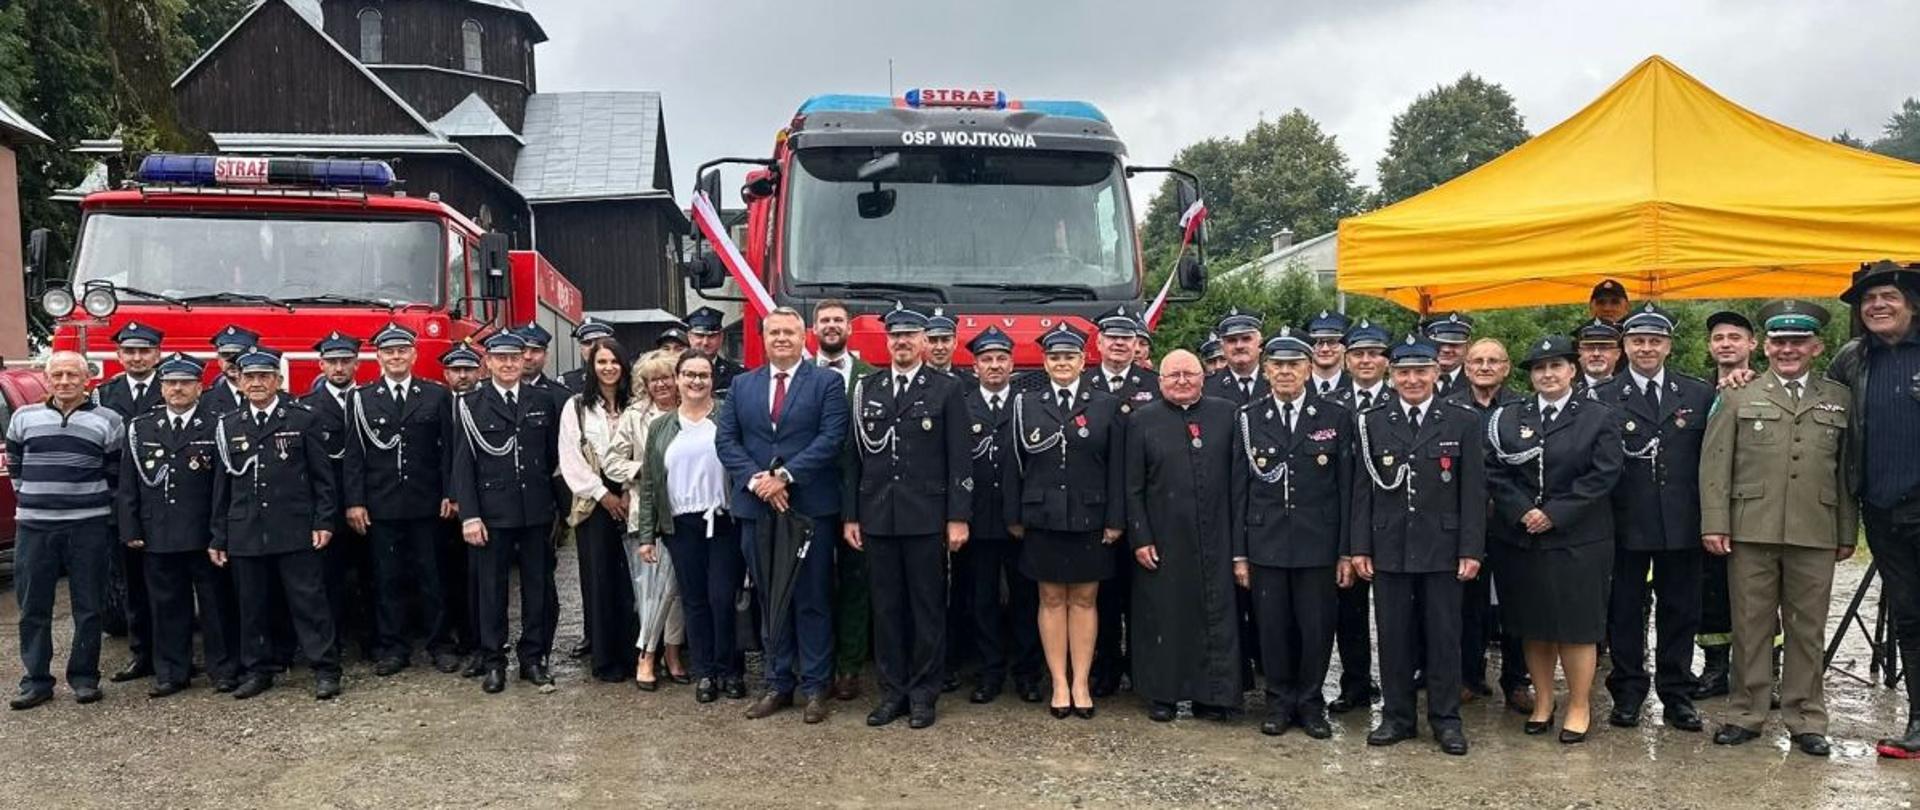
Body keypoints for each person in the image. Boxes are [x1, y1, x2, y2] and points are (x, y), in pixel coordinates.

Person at [1700, 299, 1855, 757]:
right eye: (1780, 341)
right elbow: (1715, 465)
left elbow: (1846, 472)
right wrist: (1715, 522)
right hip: (1751, 528)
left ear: (1816, 346)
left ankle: (1806, 718)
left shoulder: (1838, 397)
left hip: (1815, 527)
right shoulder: (1737, 394)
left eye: (1798, 341)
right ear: (1765, 346)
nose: (1788, 349)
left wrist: (1847, 531)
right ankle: (1746, 712)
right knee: (1751, 626)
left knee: (1808, 629)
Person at [1485, 335, 1623, 744]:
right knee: (1535, 625)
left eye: (1556, 366)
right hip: (1522, 538)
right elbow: (1493, 469)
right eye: (1539, 368)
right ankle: (1544, 701)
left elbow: (1604, 474)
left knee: (1577, 628)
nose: (1547, 374)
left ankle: (1578, 705)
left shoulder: (1598, 416)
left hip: (1579, 539)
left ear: (1572, 371)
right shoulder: (1509, 417)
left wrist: (1555, 514)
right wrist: (1522, 510)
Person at [1350, 335, 1483, 755]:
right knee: (1393, 636)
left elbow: (1474, 493)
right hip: (1389, 546)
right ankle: (1397, 717)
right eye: (1404, 372)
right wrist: (1360, 547)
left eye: (1420, 371)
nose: (1412, 379)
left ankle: (1445, 720)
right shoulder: (1371, 421)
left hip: (1443, 548)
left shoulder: (1462, 421)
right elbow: (1361, 491)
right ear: (1391, 376)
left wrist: (1470, 548)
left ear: (1436, 373)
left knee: (1444, 636)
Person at [715, 306, 848, 723]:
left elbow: (832, 437)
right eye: (774, 333)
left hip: (808, 508)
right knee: (772, 598)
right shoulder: (741, 385)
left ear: (803, 336)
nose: (782, 339)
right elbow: (727, 441)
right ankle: (777, 682)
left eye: (790, 332)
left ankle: (814, 686)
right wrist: (758, 482)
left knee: (812, 597)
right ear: (764, 337)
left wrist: (786, 477)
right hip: (757, 507)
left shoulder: (826, 383)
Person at [845, 304, 973, 729]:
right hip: (878, 515)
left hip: (926, 517)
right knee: (886, 609)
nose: (902, 342)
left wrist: (958, 517)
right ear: (888, 342)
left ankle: (923, 694)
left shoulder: (946, 389)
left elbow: (960, 460)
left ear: (923, 341)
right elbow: (853, 459)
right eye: (895, 335)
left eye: (910, 335)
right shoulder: (869, 388)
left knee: (926, 608)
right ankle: (892, 693)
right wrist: (851, 515)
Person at [1593, 305, 1712, 733]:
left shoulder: (1698, 394)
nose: (1646, 348)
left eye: (1654, 340)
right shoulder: (1603, 397)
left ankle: (1677, 693)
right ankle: (1626, 691)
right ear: (1624, 346)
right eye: (1637, 340)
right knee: (1623, 611)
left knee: (1680, 612)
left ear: (1668, 345)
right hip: (1624, 524)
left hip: (1681, 522)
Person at [1231, 328, 1352, 738]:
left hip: (1318, 545)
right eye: (1278, 365)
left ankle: (1311, 702)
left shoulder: (1335, 417)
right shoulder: (1248, 419)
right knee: (1273, 627)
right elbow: (1238, 491)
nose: (1285, 372)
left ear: (1309, 369)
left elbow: (1346, 488)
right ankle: (1279, 701)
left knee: (1317, 628)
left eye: (1294, 365)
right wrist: (1239, 554)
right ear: (1266, 370)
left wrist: (1346, 551)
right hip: (1265, 544)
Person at [1823, 261, 1920, 759]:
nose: (1877, 306)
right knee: (1909, 616)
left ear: (1911, 302)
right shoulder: (1850, 359)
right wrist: (1744, 383)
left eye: (1887, 296)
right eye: (1868, 301)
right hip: (1881, 509)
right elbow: (1817, 408)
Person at [1006, 324, 1125, 719]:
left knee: (1086, 599)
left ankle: (1081, 683)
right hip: (1042, 517)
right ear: (1045, 362)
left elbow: (1117, 469)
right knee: (1051, 598)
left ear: (1083, 360)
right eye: (1055, 357)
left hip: (1090, 516)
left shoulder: (1105, 404)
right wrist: (1015, 515)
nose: (1062, 363)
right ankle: (1058, 682)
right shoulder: (1026, 403)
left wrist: (1115, 518)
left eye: (1069, 357)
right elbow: (1013, 466)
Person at [210, 348, 342, 701]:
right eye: (249, 377)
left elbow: (322, 479)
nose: (256, 383)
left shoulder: (302, 418)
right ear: (238, 381)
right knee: (252, 606)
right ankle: (258, 670)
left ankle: (325, 668)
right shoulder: (227, 425)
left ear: (278, 381)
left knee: (309, 602)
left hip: (295, 527)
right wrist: (218, 535)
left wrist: (324, 520)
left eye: (264, 376)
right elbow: (221, 489)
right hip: (246, 530)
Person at [1127, 349, 1243, 722]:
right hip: (1164, 536)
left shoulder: (1226, 413)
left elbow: (1240, 477)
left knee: (1216, 613)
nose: (1181, 381)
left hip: (1218, 533)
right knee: (1165, 616)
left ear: (1202, 377)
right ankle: (1164, 695)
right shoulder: (1142, 421)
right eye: (1172, 375)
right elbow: (1132, 487)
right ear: (1159, 381)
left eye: (1189, 374)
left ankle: (1214, 695)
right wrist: (1140, 536)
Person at [116, 354, 240, 697]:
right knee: (167, 606)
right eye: (171, 383)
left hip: (203, 534)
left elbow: (222, 487)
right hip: (159, 533)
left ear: (199, 387)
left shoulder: (217, 424)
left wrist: (220, 533)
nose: (178, 389)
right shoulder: (141, 428)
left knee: (216, 606)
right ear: (162, 387)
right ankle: (172, 672)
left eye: (185, 383)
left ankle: (223, 669)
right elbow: (129, 484)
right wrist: (131, 529)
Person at [7, 351, 124, 710]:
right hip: (34, 528)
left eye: (72, 375)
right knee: (32, 607)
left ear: (86, 379)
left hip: (87, 527)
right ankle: (36, 680)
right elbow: (16, 467)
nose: (64, 381)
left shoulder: (109, 421)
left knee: (88, 606)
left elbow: (114, 474)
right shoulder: (23, 418)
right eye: (57, 374)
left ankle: (85, 678)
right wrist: (36, 499)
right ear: (47, 378)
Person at [451, 331, 565, 694]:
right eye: (501, 358)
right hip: (491, 514)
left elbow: (552, 460)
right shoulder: (470, 404)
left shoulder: (542, 400)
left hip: (534, 511)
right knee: (492, 591)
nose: (509, 364)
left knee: (538, 588)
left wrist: (558, 511)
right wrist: (469, 515)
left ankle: (533, 658)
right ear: (488, 362)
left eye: (515, 357)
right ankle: (493, 660)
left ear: (524, 360)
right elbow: (462, 466)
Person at [629, 352, 745, 704]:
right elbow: (650, 483)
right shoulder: (661, 427)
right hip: (681, 525)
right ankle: (706, 672)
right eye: (690, 374)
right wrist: (647, 535)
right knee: (695, 601)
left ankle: (731, 670)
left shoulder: (728, 417)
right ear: (678, 379)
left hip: (723, 521)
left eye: (704, 375)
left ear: (713, 380)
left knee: (724, 598)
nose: (697, 381)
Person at [343, 324, 458, 674]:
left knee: (433, 576)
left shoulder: (437, 395)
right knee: (386, 578)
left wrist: (451, 493)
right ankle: (393, 647)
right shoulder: (361, 399)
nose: (396, 356)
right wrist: (355, 502)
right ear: (378, 356)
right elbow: (354, 456)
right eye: (389, 351)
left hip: (426, 503)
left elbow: (449, 452)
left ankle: (440, 644)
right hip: (382, 505)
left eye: (402, 350)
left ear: (414, 354)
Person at [1443, 337, 1532, 713]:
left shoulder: (1523, 408)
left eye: (1493, 361)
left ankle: (1516, 681)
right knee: (1466, 603)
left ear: (1507, 367)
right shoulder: (1448, 407)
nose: (1484, 367)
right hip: (1463, 522)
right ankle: (1468, 676)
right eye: (1477, 361)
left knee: (1516, 602)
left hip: (1510, 520)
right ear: (1465, 368)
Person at [959, 327, 1042, 705]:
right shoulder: (961, 404)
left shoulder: (1029, 403)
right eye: (987, 360)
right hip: (978, 521)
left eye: (1001, 359)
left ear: (1012, 364)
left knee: (1027, 599)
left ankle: (1027, 674)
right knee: (983, 600)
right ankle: (989, 673)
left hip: (1020, 523)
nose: (994, 366)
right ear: (975, 367)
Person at [556, 340, 643, 684]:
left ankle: (636, 653)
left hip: (633, 492)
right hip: (594, 500)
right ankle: (606, 658)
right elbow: (570, 459)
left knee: (633, 578)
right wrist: (603, 494)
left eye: (614, 361)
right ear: (592, 367)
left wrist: (627, 492)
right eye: (601, 361)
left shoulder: (637, 405)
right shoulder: (576, 407)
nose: (608, 367)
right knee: (600, 577)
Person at [1082, 305, 1157, 698]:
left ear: (1136, 344)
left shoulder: (1154, 384)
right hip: (1098, 504)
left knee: (1142, 594)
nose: (1118, 344)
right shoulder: (1084, 383)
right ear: (1099, 342)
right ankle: (1106, 666)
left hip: (1146, 503)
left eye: (1126, 338)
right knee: (1104, 593)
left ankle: (1142, 670)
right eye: (1112, 338)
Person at [607, 348, 688, 687]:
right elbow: (612, 461)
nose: (661, 385)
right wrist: (644, 471)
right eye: (653, 380)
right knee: (650, 589)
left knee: (677, 590)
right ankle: (647, 655)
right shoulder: (634, 416)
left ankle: (673, 652)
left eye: (666, 377)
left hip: (685, 509)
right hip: (646, 510)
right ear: (645, 384)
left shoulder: (692, 411)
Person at [1324, 319, 1391, 714]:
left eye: (1374, 353)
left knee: (1397, 614)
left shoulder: (1401, 400)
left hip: (1394, 524)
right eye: (1359, 354)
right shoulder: (1331, 405)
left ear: (1387, 361)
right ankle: (1356, 684)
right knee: (1349, 613)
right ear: (1346, 360)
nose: (1366, 360)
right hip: (1345, 524)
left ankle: (1406, 680)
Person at [811, 299, 876, 701]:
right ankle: (817, 663)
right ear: (813, 328)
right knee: (814, 583)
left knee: (857, 582)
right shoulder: (799, 375)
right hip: (811, 495)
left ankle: (850, 667)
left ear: (849, 328)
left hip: (861, 496)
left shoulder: (871, 378)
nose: (831, 326)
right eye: (824, 321)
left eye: (838, 320)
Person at [96, 322, 164, 685]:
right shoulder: (104, 395)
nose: (137, 358)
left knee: (172, 586)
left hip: (168, 505)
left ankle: (175, 655)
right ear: (119, 355)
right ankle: (142, 655)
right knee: (132, 584)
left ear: (157, 354)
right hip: (123, 505)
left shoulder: (174, 387)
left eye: (144, 351)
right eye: (130, 351)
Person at [302, 332, 370, 666]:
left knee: (372, 575)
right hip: (326, 505)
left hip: (368, 504)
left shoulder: (369, 400)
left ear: (357, 363)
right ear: (321, 365)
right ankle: (335, 642)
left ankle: (373, 642)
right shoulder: (306, 408)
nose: (339, 367)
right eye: (332, 362)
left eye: (345, 361)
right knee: (328, 579)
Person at [436, 342, 483, 676]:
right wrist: (447, 493)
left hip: (478, 503)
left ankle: (476, 637)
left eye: (468, 369)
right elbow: (436, 456)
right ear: (446, 374)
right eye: (456, 370)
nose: (462, 376)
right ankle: (452, 636)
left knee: (477, 576)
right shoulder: (438, 403)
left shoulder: (483, 403)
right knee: (446, 573)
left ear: (479, 371)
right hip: (443, 507)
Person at [1206, 309, 1267, 404]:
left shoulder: (1278, 382)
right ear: (1223, 347)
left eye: (1246, 338)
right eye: (1232, 340)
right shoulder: (1206, 387)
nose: (1239, 346)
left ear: (1260, 344)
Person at [686, 306, 744, 399]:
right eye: (700, 336)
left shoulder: (738, 375)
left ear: (721, 337)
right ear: (690, 337)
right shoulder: (676, 372)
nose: (705, 342)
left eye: (712, 336)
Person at [204, 325, 260, 415]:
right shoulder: (203, 402)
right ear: (218, 359)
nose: (232, 361)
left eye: (238, 355)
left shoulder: (274, 398)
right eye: (226, 355)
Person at [560, 319, 616, 394]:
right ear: (580, 348)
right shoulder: (567, 382)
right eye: (587, 342)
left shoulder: (624, 377)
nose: (592, 347)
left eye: (598, 341)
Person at [1423, 313, 1473, 397]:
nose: (1446, 349)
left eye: (1454, 344)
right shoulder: (1410, 380)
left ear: (1468, 347)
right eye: (1440, 343)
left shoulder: (1477, 382)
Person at [1303, 310, 1351, 398]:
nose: (1325, 349)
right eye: (1319, 342)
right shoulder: (1296, 386)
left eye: (1332, 342)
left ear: (1344, 346)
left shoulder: (1356, 388)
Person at [1706, 310, 1758, 385]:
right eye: (1718, 338)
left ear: (1752, 344)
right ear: (1710, 346)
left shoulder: (1768, 387)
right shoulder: (1696, 390)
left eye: (1735, 338)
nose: (1725, 344)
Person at [1575, 319, 1623, 392]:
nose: (1596, 354)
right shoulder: (1566, 389)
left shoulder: (1629, 388)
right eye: (1589, 348)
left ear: (1617, 354)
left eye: (1604, 348)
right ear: (1579, 353)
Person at [924, 307, 968, 382]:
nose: (939, 347)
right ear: (923, 343)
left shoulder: (970, 382)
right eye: (933, 340)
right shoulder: (909, 381)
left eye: (945, 340)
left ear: (955, 343)